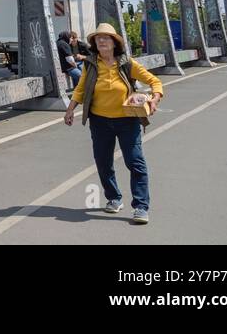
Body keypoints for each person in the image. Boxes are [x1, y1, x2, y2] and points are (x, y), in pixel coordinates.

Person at [64, 22, 164, 224]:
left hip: (127, 121)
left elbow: (154, 81)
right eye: (98, 38)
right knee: (103, 162)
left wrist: (155, 98)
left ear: (114, 43)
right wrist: (70, 109)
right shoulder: (91, 64)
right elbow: (81, 88)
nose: (101, 40)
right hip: (100, 122)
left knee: (135, 162)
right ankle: (114, 198)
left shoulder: (126, 63)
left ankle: (141, 207)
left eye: (106, 37)